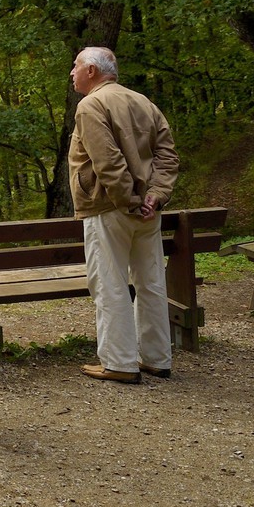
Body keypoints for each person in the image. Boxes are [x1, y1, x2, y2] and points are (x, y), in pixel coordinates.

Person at [68, 46, 179, 384]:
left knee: (110, 282)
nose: (71, 72)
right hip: (146, 211)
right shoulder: (145, 103)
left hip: (110, 208)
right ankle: (157, 358)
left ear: (91, 71)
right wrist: (154, 198)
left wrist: (131, 201)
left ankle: (119, 362)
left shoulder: (91, 105)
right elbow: (167, 157)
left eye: (75, 66)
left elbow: (107, 162)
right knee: (151, 283)